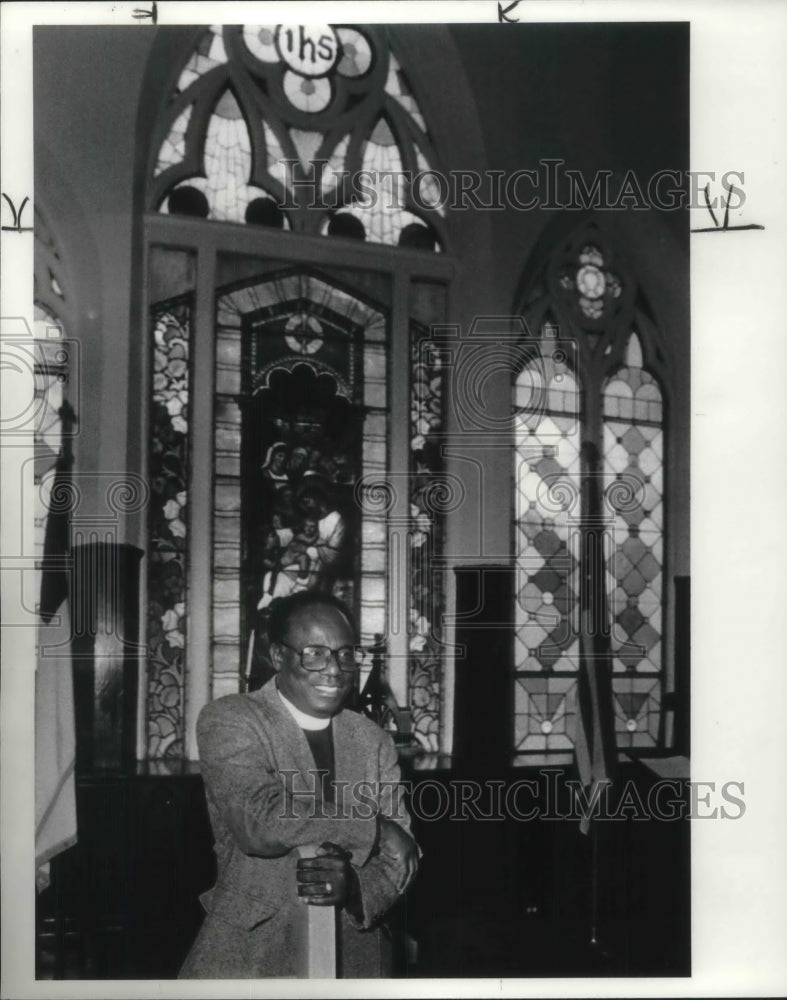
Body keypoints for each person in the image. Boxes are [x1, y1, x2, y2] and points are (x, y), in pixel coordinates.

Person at [180, 592, 419, 978]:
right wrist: (372, 827)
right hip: (251, 955)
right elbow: (259, 823)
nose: (335, 669)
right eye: (315, 653)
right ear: (278, 657)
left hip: (356, 960)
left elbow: (404, 854)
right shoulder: (232, 719)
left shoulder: (373, 740)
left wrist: (357, 891)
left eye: (344, 653)